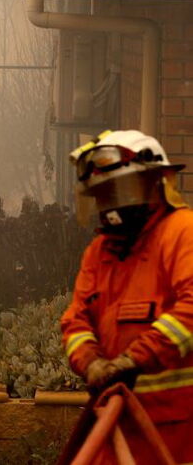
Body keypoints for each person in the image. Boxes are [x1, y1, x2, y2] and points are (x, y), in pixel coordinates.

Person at [61, 129, 193, 462]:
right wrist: (91, 363)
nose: (113, 204)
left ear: (156, 183)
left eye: (121, 190)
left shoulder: (182, 232)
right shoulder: (99, 252)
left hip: (179, 434)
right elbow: (75, 320)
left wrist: (134, 359)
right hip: (115, 428)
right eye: (104, 195)